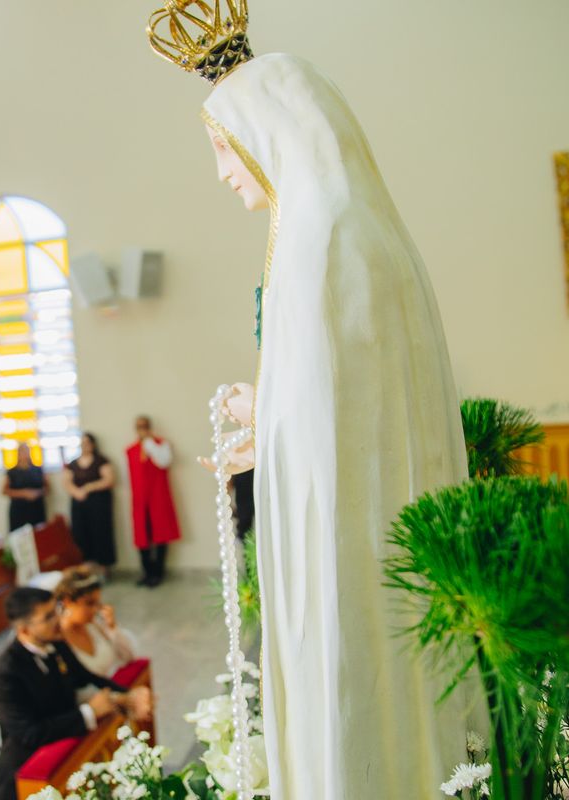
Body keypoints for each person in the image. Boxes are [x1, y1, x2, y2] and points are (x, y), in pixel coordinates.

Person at [146, 9, 473, 797]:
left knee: (355, 694)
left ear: (271, 132)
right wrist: (268, 417)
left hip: (355, 542)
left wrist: (269, 426)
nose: (223, 172)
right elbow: (351, 396)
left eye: (224, 146)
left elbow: (341, 410)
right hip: (376, 514)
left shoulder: (321, 240)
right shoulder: (360, 229)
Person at [0, 587, 151, 800]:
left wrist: (129, 695)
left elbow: (87, 677)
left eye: (56, 610)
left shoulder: (57, 644)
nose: (58, 619)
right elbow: (29, 733)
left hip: (68, 759)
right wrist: (89, 713)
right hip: (27, 775)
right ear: (24, 629)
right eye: (47, 617)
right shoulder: (3, 674)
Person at [125, 416, 181, 587]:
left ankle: (158, 572)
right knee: (143, 537)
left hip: (158, 498)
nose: (142, 429)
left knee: (160, 535)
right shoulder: (131, 450)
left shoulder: (160, 444)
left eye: (144, 426)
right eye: (139, 426)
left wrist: (149, 445)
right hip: (140, 500)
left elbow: (164, 462)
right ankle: (147, 572)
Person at [55, 566, 135, 677]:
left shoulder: (94, 625)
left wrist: (112, 627)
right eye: (89, 603)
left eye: (97, 603)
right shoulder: (58, 639)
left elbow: (129, 657)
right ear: (67, 601)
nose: (95, 610)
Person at [62, 433, 116, 572]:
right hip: (79, 505)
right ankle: (85, 567)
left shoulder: (101, 460)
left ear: (93, 444)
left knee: (100, 534)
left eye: (88, 442)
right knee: (80, 535)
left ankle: (104, 566)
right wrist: (77, 492)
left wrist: (88, 488)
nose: (85, 445)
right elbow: (67, 482)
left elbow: (109, 480)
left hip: (98, 504)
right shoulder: (73, 464)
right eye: (83, 442)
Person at [2, 443, 48, 533]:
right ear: (18, 454)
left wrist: (36, 493)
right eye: (22, 451)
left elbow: (46, 488)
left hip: (36, 509)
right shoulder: (12, 472)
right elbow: (5, 490)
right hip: (19, 511)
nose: (25, 454)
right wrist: (24, 493)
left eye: (27, 451)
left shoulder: (38, 469)